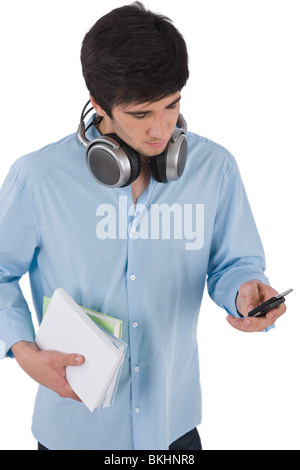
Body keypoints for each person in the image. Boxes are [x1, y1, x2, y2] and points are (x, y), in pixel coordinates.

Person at [0, 2, 286, 450]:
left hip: (175, 432)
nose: (161, 129)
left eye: (172, 106)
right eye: (140, 114)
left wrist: (246, 288)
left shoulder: (216, 168)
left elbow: (235, 262)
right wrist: (23, 352)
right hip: (74, 432)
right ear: (98, 105)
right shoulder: (37, 179)